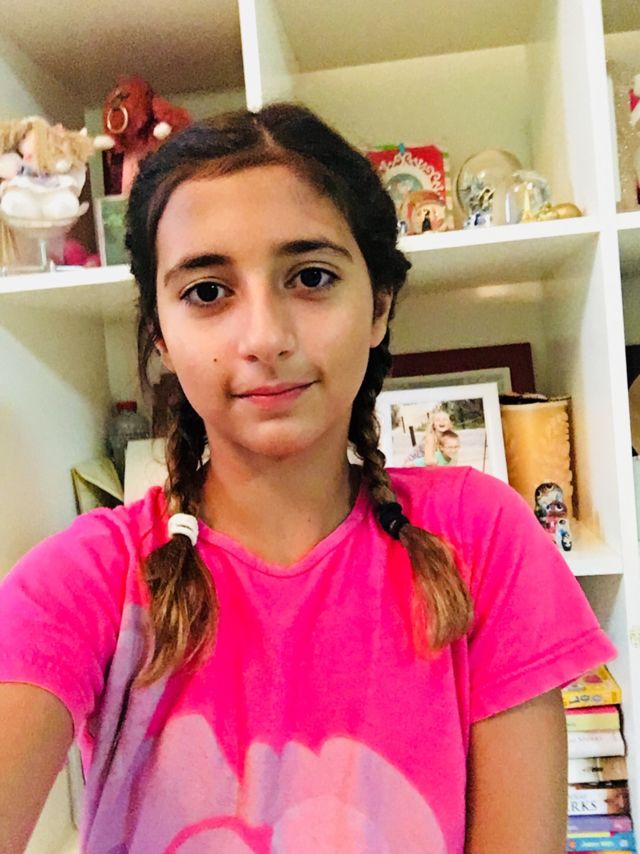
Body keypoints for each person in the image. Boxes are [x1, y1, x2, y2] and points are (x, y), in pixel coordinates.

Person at [0, 104, 615, 853]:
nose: (265, 338)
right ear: (160, 333)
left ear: (379, 305)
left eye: (312, 277)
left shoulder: (481, 539)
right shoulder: (84, 581)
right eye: (207, 292)